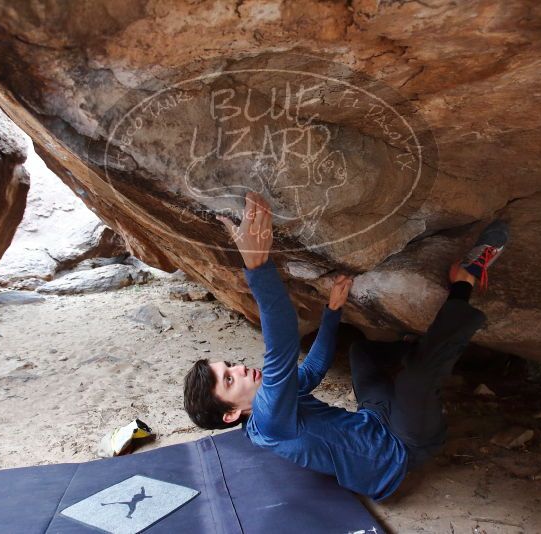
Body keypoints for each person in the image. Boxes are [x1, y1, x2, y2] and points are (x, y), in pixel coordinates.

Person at [183, 192, 509, 501]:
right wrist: (258, 268)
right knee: (415, 381)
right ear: (231, 414)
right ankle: (464, 280)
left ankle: (431, 347)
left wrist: (333, 311)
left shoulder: (272, 403)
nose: (238, 369)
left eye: (228, 366)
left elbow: (313, 369)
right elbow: (281, 343)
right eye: (229, 380)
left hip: (375, 419)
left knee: (361, 354)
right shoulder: (269, 418)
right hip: (402, 447)